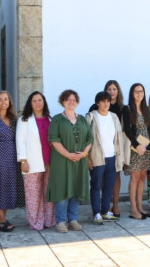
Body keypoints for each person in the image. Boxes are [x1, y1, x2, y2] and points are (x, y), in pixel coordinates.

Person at [48, 90, 93, 233]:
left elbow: (90, 139)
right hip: (62, 161)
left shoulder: (82, 120)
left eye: (74, 99)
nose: (71, 101)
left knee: (76, 188)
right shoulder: (56, 119)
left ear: (77, 102)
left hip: (79, 161)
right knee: (62, 189)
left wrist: (84, 153)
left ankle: (73, 219)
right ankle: (60, 221)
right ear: (62, 102)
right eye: (68, 99)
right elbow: (54, 140)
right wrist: (68, 154)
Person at [0, 91, 25, 232]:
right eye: (0, 99)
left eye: (6, 99)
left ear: (9, 101)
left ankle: (2, 218)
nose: (3, 102)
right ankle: (1, 221)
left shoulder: (14, 119)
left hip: (13, 157)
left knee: (8, 187)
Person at [16, 91, 56, 230]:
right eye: (34, 101)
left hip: (49, 162)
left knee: (48, 194)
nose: (38, 103)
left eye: (40, 100)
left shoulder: (50, 119)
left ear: (44, 102)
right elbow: (20, 141)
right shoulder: (24, 120)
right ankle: (35, 222)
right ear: (30, 103)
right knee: (33, 196)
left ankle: (49, 220)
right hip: (31, 163)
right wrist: (23, 160)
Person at [86, 91, 125, 224]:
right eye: (103, 101)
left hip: (112, 157)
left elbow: (118, 138)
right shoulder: (91, 117)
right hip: (97, 157)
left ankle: (105, 211)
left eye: (108, 101)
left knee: (109, 185)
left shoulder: (113, 117)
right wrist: (87, 158)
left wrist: (120, 156)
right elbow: (86, 139)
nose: (106, 104)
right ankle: (96, 213)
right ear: (97, 103)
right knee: (96, 185)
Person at [123, 84, 150, 219]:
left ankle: (140, 206)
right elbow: (127, 130)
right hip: (135, 148)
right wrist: (136, 145)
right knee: (134, 178)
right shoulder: (127, 108)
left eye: (141, 91)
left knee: (142, 178)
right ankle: (133, 209)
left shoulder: (145, 109)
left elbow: (149, 130)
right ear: (132, 93)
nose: (139, 94)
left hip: (145, 147)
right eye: (136, 91)